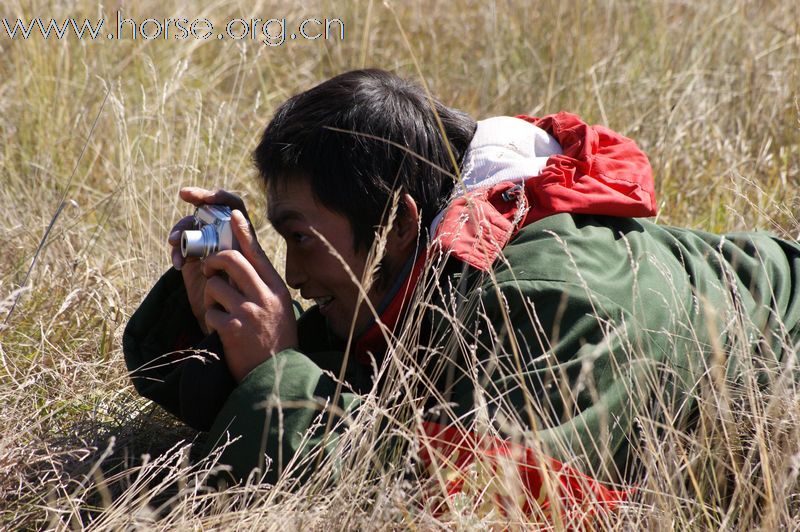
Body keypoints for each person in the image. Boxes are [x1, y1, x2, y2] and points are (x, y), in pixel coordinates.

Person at [123, 69, 800, 517]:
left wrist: (277, 375)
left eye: (299, 238)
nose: (294, 277)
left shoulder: (553, 298)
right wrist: (214, 320)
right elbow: (370, 386)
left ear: (397, 225)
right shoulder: (437, 263)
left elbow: (487, 505)